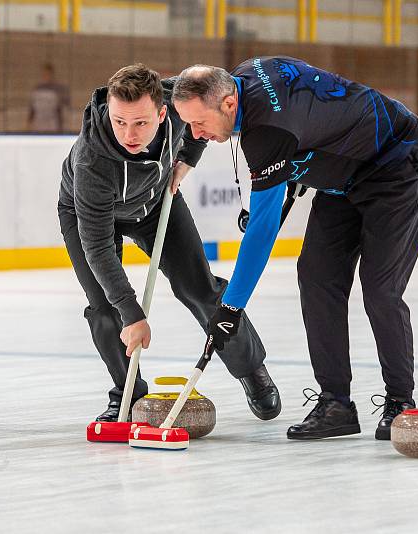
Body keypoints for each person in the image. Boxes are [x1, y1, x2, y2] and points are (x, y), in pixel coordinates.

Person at [171, 57, 418, 440]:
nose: (196, 134)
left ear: (229, 103)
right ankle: (336, 403)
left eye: (200, 123)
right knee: (316, 278)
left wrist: (231, 306)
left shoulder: (266, 130)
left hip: (396, 163)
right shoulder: (238, 78)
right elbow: (312, 116)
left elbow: (261, 232)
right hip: (342, 179)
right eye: (188, 124)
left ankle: (399, 400)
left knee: (380, 289)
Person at [58, 64, 281, 422]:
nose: (128, 134)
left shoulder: (179, 99)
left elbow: (202, 120)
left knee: (199, 288)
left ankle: (252, 370)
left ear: (164, 112)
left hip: (156, 201)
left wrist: (188, 159)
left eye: (141, 123)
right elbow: (97, 247)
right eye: (119, 122)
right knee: (105, 308)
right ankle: (128, 393)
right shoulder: (92, 161)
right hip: (91, 215)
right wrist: (132, 314)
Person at [29, 63, 69, 133]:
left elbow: (59, 110)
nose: (46, 76)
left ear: (52, 75)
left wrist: (61, 127)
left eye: (48, 74)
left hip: (52, 125)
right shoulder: (37, 90)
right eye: (45, 74)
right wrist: (29, 125)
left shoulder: (57, 90)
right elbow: (32, 110)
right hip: (38, 124)